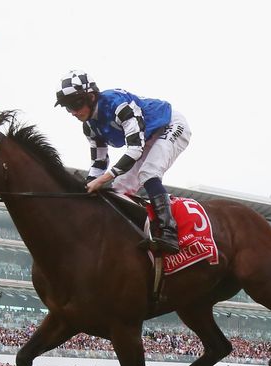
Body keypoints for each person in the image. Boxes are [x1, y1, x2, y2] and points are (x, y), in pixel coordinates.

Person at [54, 70, 192, 253]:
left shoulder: (117, 104)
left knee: (149, 173)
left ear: (91, 97)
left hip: (170, 124)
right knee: (119, 188)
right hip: (146, 136)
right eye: (67, 107)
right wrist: (87, 186)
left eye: (75, 104)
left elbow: (134, 150)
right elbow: (99, 162)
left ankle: (169, 233)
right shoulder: (89, 127)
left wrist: (101, 181)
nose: (72, 112)